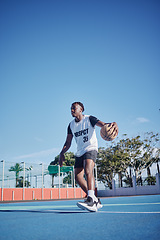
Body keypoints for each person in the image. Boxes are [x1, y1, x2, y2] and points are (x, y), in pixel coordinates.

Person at [59, 102, 118, 212]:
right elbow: (68, 142)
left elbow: (103, 125)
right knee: (77, 176)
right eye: (71, 109)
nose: (71, 110)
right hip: (80, 151)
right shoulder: (71, 125)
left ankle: (90, 199)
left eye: (74, 108)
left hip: (91, 148)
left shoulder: (89, 119)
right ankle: (95, 199)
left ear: (81, 109)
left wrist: (112, 123)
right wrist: (61, 153)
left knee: (88, 170)